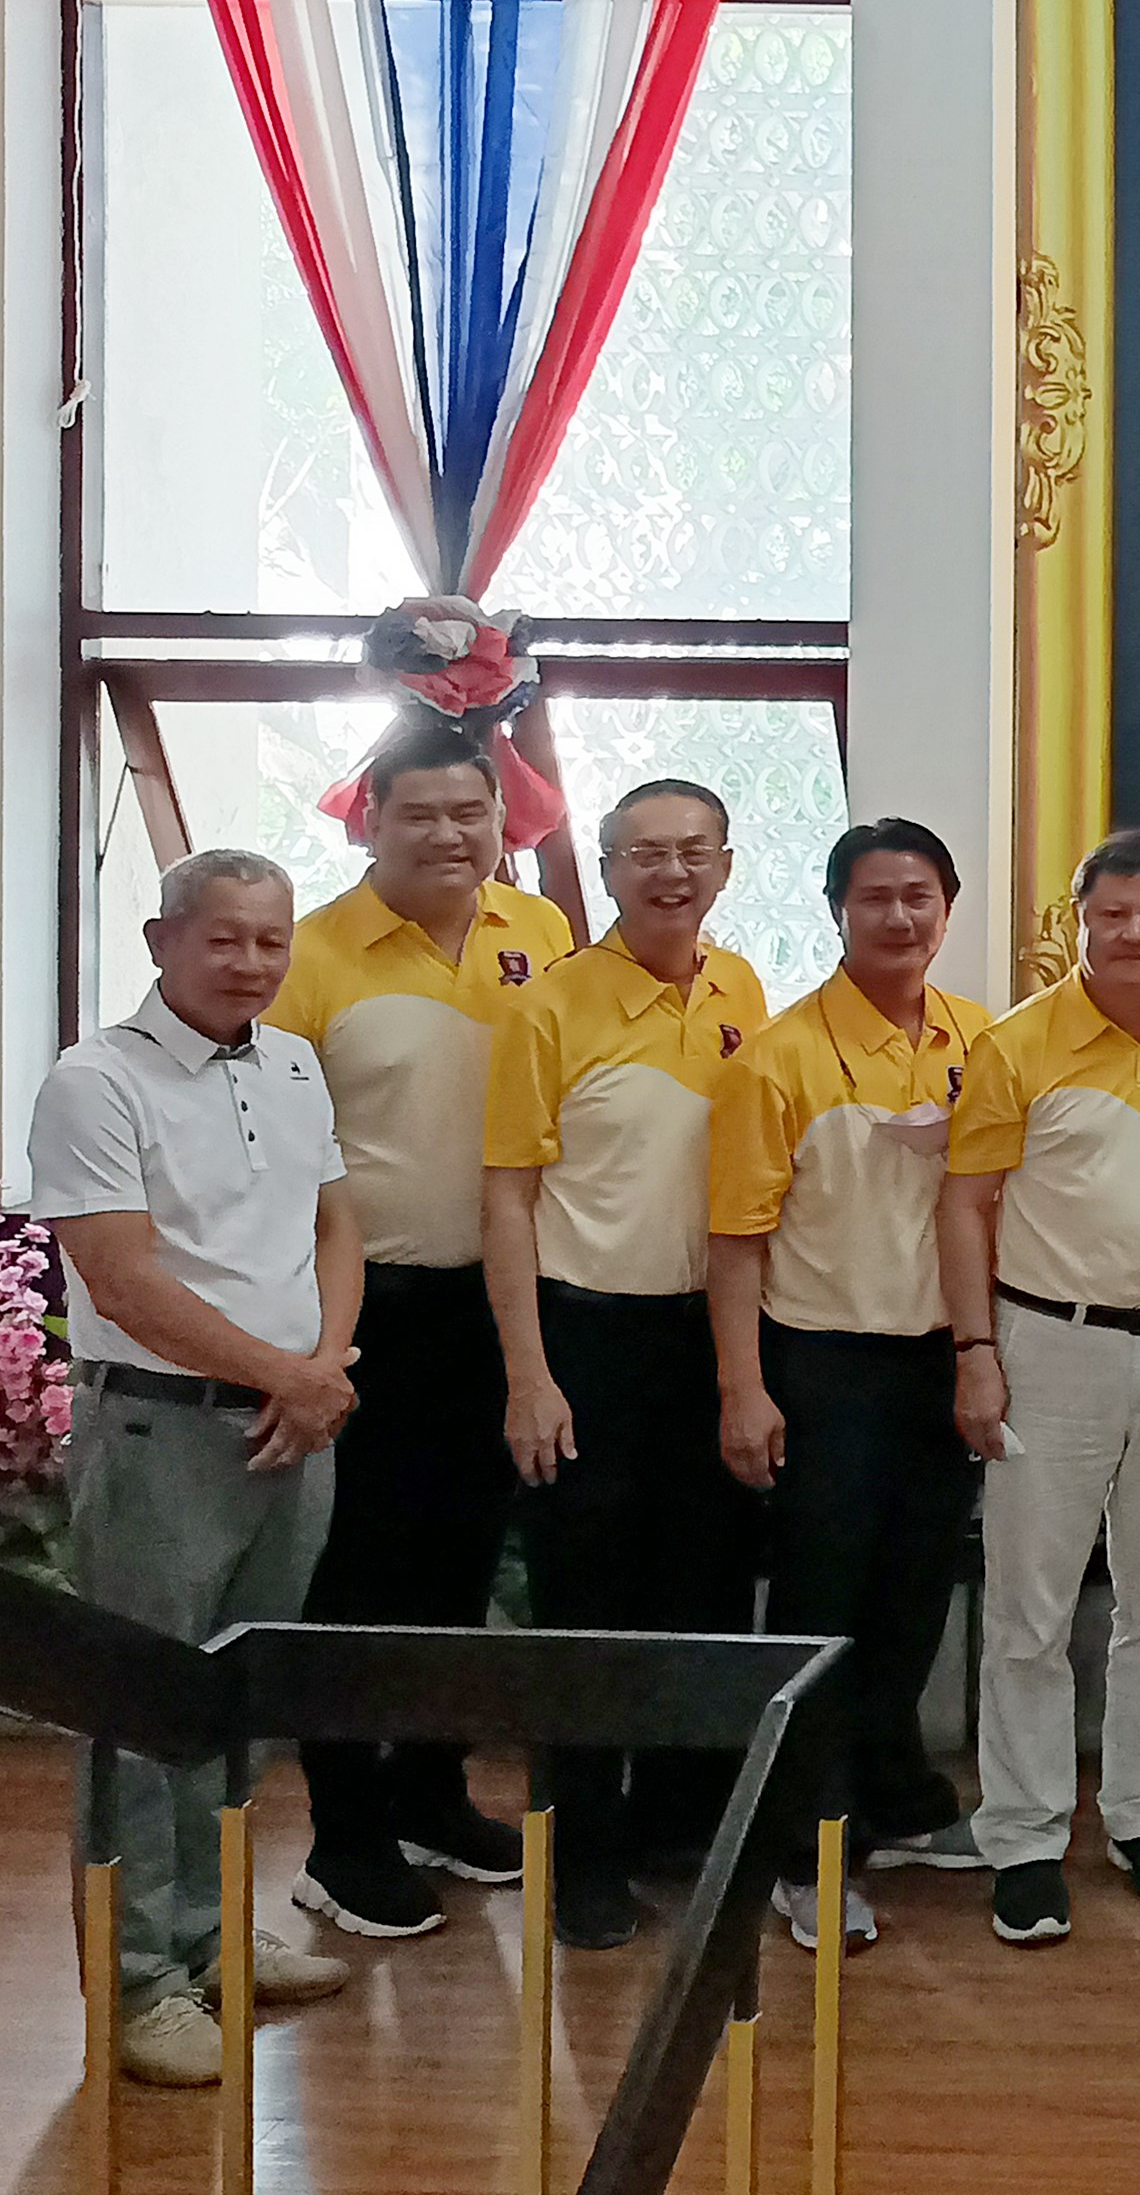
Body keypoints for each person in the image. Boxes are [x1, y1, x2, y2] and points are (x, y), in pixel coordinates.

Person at [28, 850, 362, 2085]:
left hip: (291, 1425)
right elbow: (123, 1281)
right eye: (225, 938)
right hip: (159, 1431)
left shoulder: (294, 1063)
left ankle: (215, 1935)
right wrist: (290, 1377)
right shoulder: (95, 1080)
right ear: (162, 941)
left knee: (239, 1703)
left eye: (272, 939)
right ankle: (139, 1982)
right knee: (140, 1711)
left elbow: (335, 1225)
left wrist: (319, 1368)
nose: (252, 962)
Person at [269, 713, 572, 1940]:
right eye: (421, 814)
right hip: (361, 1308)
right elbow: (267, 1154)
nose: (450, 834)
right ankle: (341, 1835)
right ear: (369, 822)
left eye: (471, 812)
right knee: (354, 1577)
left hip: (499, 1302)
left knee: (460, 1564)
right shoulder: (311, 956)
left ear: (501, 821)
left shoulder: (539, 933)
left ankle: (430, 1794)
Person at [478, 779, 771, 1950]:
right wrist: (527, 1374)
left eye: (694, 851)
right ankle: (584, 1857)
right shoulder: (549, 1007)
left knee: (703, 1593)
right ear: (605, 871)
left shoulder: (742, 989)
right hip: (585, 1337)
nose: (671, 873)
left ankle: (674, 1825)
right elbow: (507, 1198)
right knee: (585, 1607)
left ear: (726, 866)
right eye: (644, 853)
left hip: (712, 1338)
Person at [945, 828, 1140, 1941]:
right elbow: (965, 1204)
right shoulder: (1017, 1044)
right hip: (1048, 1346)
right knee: (1028, 1609)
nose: (1135, 935)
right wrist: (975, 1351)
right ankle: (1025, 1836)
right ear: (1077, 923)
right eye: (1112, 915)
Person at [705, 817, 993, 1954]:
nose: (900, 917)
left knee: (913, 1599)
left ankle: (894, 1805)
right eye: (876, 897)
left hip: (942, 1361)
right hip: (824, 1366)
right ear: (836, 911)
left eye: (921, 896)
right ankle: (803, 1852)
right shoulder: (777, 1060)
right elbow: (736, 1244)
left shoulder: (980, 1041)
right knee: (820, 1612)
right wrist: (743, 1389)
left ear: (947, 908)